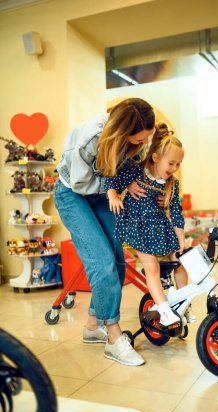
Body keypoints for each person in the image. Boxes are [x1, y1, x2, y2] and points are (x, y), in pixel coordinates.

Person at [54, 98, 156, 367]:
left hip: (101, 194)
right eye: (136, 140)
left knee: (118, 262)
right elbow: (81, 183)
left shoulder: (135, 140)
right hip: (73, 195)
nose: (139, 145)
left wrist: (128, 180)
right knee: (102, 263)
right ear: (123, 132)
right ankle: (113, 337)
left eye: (146, 139)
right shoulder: (90, 139)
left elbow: (122, 171)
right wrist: (115, 184)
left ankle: (92, 325)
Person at [105, 122, 196, 326]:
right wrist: (113, 195)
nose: (173, 169)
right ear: (155, 156)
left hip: (159, 227)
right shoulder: (136, 172)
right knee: (152, 267)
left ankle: (183, 303)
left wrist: (181, 238)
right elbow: (111, 180)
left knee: (181, 261)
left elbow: (175, 211)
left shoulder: (173, 184)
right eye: (170, 163)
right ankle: (164, 310)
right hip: (137, 227)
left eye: (178, 165)